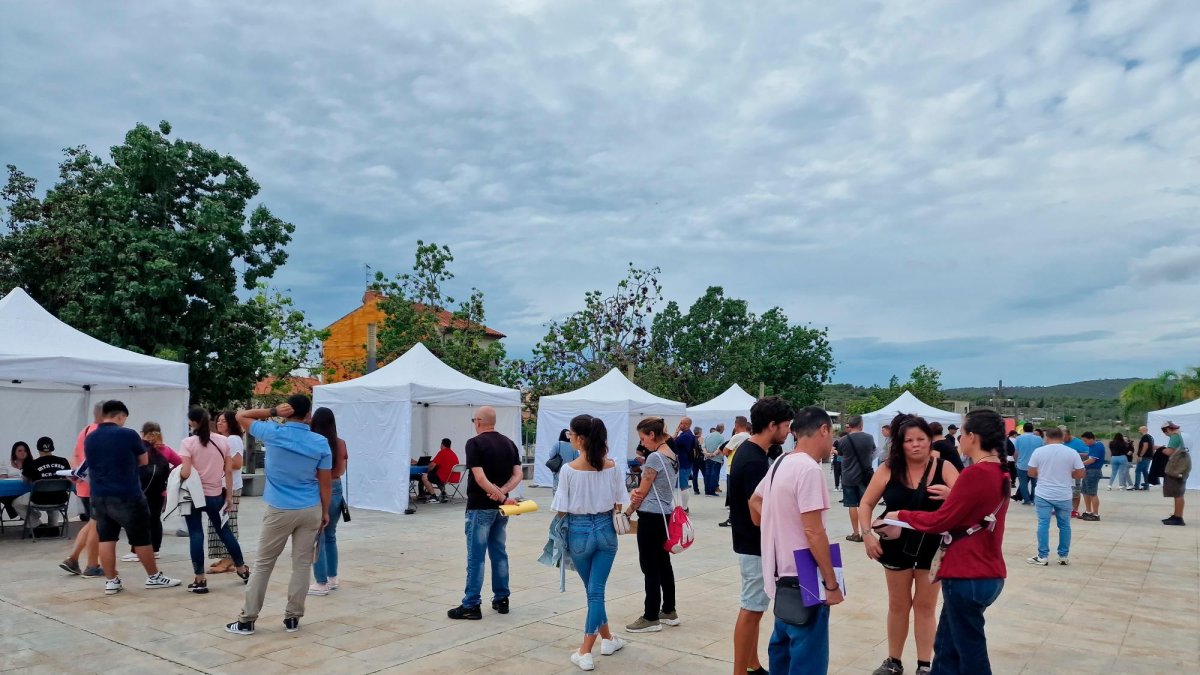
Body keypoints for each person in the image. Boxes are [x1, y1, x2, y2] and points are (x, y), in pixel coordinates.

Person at [884, 409, 1010, 675]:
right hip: (987, 571)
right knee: (946, 647)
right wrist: (955, 495)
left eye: (962, 434)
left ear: (972, 437)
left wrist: (900, 515)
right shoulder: (999, 471)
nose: (958, 440)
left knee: (969, 651)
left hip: (967, 572)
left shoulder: (975, 473)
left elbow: (940, 521)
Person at [860, 417, 959, 675]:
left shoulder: (945, 467)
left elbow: (965, 504)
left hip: (933, 546)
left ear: (930, 441)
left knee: (925, 607)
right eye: (909, 440)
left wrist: (952, 495)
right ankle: (894, 660)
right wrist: (868, 534)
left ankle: (925, 665)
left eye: (921, 440)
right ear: (900, 444)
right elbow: (866, 503)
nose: (916, 445)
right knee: (898, 604)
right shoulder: (889, 468)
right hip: (895, 545)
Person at [226, 396, 332, 636]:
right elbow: (325, 483)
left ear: (287, 412)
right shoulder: (320, 442)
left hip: (280, 509)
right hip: (310, 508)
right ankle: (293, 618)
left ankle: (247, 620)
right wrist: (324, 512)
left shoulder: (272, 431)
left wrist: (272, 410)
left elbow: (240, 416)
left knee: (263, 564)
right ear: (308, 415)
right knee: (302, 564)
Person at [750, 406, 840, 675]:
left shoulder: (781, 463)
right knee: (808, 658)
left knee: (782, 650)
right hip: (806, 578)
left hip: (780, 576)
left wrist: (776, 520)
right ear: (823, 429)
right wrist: (831, 583)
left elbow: (754, 501)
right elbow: (814, 532)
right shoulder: (809, 470)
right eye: (831, 432)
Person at [552, 414, 629, 671]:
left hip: (579, 531)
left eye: (571, 434)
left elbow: (561, 509)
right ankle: (607, 638)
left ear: (581, 438)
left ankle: (585, 651)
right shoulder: (613, 467)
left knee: (594, 591)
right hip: (607, 530)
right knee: (595, 591)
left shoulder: (568, 470)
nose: (569, 437)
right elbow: (620, 500)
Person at [84, 400, 182, 595]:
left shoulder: (90, 436)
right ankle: (153, 576)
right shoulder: (128, 434)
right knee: (141, 537)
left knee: (106, 537)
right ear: (121, 416)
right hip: (127, 494)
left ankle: (111, 581)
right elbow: (144, 460)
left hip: (99, 495)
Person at [730, 397, 795, 675]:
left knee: (754, 609)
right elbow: (756, 512)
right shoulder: (754, 460)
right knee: (752, 609)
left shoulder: (751, 452)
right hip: (755, 544)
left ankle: (752, 664)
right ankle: (739, 671)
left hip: (751, 542)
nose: (789, 431)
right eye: (786, 426)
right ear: (772, 425)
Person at [448, 406, 522, 620]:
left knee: (476, 557)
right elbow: (517, 474)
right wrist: (504, 493)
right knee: (499, 553)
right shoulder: (509, 443)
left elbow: (479, 478)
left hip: (480, 506)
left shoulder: (474, 443)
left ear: (478, 421)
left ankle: (471, 604)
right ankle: (502, 598)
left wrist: (499, 495)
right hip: (500, 509)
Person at [179, 407, 249, 594]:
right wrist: (228, 496)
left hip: (192, 495)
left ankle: (200, 580)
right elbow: (228, 470)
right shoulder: (222, 441)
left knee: (196, 533)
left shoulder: (187, 443)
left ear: (191, 422)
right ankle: (242, 569)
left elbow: (185, 472)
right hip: (215, 494)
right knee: (224, 531)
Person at [625, 417, 682, 633]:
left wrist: (628, 512)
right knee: (663, 563)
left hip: (650, 515)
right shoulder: (671, 454)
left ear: (651, 435)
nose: (642, 444)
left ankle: (650, 616)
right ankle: (668, 610)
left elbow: (642, 490)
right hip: (665, 514)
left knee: (649, 566)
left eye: (642, 438)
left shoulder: (654, 458)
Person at [1025, 427, 1084, 566]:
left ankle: (1043, 556)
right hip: (1064, 494)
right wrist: (1068, 475)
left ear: (1046, 437)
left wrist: (1044, 474)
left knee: (1043, 524)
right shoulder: (1071, 452)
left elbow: (1031, 473)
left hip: (1043, 494)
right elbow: (1081, 473)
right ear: (1062, 437)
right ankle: (1063, 556)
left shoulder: (1039, 451)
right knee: (1065, 525)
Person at [122, 422, 181, 560]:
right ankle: (155, 551)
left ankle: (136, 551)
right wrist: (169, 474)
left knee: (137, 520)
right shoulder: (165, 450)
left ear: (143, 433)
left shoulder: (140, 449)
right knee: (155, 519)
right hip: (160, 491)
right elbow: (180, 463)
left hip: (140, 490)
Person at [60, 402, 104, 578]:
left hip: (83, 485)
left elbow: (75, 456)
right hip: (97, 485)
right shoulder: (102, 433)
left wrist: (76, 473)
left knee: (92, 523)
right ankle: (92, 565)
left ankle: (73, 558)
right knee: (96, 526)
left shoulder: (85, 431)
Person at [309, 407, 349, 595]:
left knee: (318, 538)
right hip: (337, 488)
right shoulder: (340, 443)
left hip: (318, 489)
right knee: (331, 535)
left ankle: (321, 581)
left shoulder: (313, 442)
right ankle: (333, 578)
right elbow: (341, 470)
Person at [207, 412, 246, 573]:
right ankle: (225, 558)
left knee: (227, 523)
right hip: (220, 486)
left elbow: (237, 463)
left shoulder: (233, 439)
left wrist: (214, 461)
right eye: (218, 421)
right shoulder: (222, 439)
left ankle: (230, 559)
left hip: (230, 487)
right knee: (219, 523)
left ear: (231, 423)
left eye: (224, 421)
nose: (220, 423)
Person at [15, 437, 72, 528]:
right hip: (61, 499)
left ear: (38, 448)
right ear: (52, 448)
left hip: (39, 499)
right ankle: (53, 526)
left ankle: (36, 524)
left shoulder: (33, 464)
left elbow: (24, 481)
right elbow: (69, 478)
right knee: (54, 492)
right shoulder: (63, 461)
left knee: (16, 503)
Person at [838, 415, 876, 543]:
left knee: (852, 505)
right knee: (865, 504)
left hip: (848, 477)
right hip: (865, 477)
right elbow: (874, 452)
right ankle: (867, 532)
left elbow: (840, 455)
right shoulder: (869, 438)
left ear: (850, 425)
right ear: (861, 424)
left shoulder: (843, 440)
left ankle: (856, 533)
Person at [1161, 422, 1189, 526]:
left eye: (1165, 432)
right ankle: (1177, 515)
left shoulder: (1174, 436)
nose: (1166, 435)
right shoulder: (1182, 434)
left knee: (1177, 493)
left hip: (1177, 466)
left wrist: (1161, 450)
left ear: (1168, 429)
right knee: (1179, 492)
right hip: (1184, 464)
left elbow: (1169, 452)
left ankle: (1178, 518)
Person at [1013, 422, 1043, 505]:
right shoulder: (1039, 439)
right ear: (1032, 429)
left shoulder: (1019, 439)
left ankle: (1027, 500)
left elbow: (1015, 452)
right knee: (1035, 484)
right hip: (1036, 465)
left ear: (1023, 429)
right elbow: (1042, 452)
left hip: (1022, 464)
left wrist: (1016, 462)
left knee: (1023, 484)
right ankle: (1033, 499)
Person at [420, 438, 459, 503]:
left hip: (445, 478)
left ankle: (433, 496)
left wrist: (428, 470)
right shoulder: (453, 454)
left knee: (424, 476)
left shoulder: (442, 452)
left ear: (442, 444)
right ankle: (444, 494)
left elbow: (432, 466)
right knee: (437, 475)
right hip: (454, 478)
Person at [1062, 428, 1088, 518]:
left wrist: (1074, 454)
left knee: (1076, 490)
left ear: (1069, 435)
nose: (1062, 439)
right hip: (1063, 470)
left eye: (1064, 436)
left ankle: (1075, 510)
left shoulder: (1078, 442)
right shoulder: (1061, 443)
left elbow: (1087, 453)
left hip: (1075, 469)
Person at [1078, 432, 1105, 521]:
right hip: (1088, 471)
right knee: (1085, 492)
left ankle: (1096, 514)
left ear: (1091, 439)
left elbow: (1092, 460)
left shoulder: (1098, 446)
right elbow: (1088, 456)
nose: (1085, 443)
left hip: (1093, 471)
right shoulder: (1092, 447)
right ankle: (1088, 511)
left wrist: (1079, 464)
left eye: (1085, 441)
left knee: (1092, 493)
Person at [674, 418, 695, 511]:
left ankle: (685, 507)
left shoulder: (686, 435)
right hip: (685, 462)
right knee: (683, 484)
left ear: (687, 425)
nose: (679, 424)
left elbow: (672, 442)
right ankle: (685, 507)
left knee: (683, 485)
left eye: (681, 423)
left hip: (684, 463)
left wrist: (676, 432)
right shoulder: (686, 434)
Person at [550, 429, 579, 493]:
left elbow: (551, 455)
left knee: (557, 489)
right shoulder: (573, 446)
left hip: (558, 470)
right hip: (571, 470)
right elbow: (577, 458)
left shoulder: (557, 444)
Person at [702, 424, 725, 496]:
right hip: (716, 459)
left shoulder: (708, 436)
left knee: (707, 474)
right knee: (714, 475)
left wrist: (706, 453)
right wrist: (713, 454)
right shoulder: (721, 437)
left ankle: (707, 491)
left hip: (707, 458)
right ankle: (711, 491)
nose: (724, 430)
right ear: (721, 429)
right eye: (723, 428)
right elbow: (720, 448)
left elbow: (703, 446)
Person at [1134, 426, 1155, 490]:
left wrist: (1140, 455)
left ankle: (1136, 486)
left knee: (1138, 470)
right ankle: (1146, 485)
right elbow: (1152, 447)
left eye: (1140, 430)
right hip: (1149, 456)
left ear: (1144, 430)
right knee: (1145, 471)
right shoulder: (1150, 437)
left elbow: (1145, 446)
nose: (1139, 431)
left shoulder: (1145, 437)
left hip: (1144, 457)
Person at [690, 426, 704, 495]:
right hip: (700, 459)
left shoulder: (692, 439)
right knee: (705, 474)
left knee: (695, 475)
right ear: (699, 432)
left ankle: (696, 490)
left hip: (693, 459)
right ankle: (707, 489)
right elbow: (702, 448)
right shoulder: (700, 438)